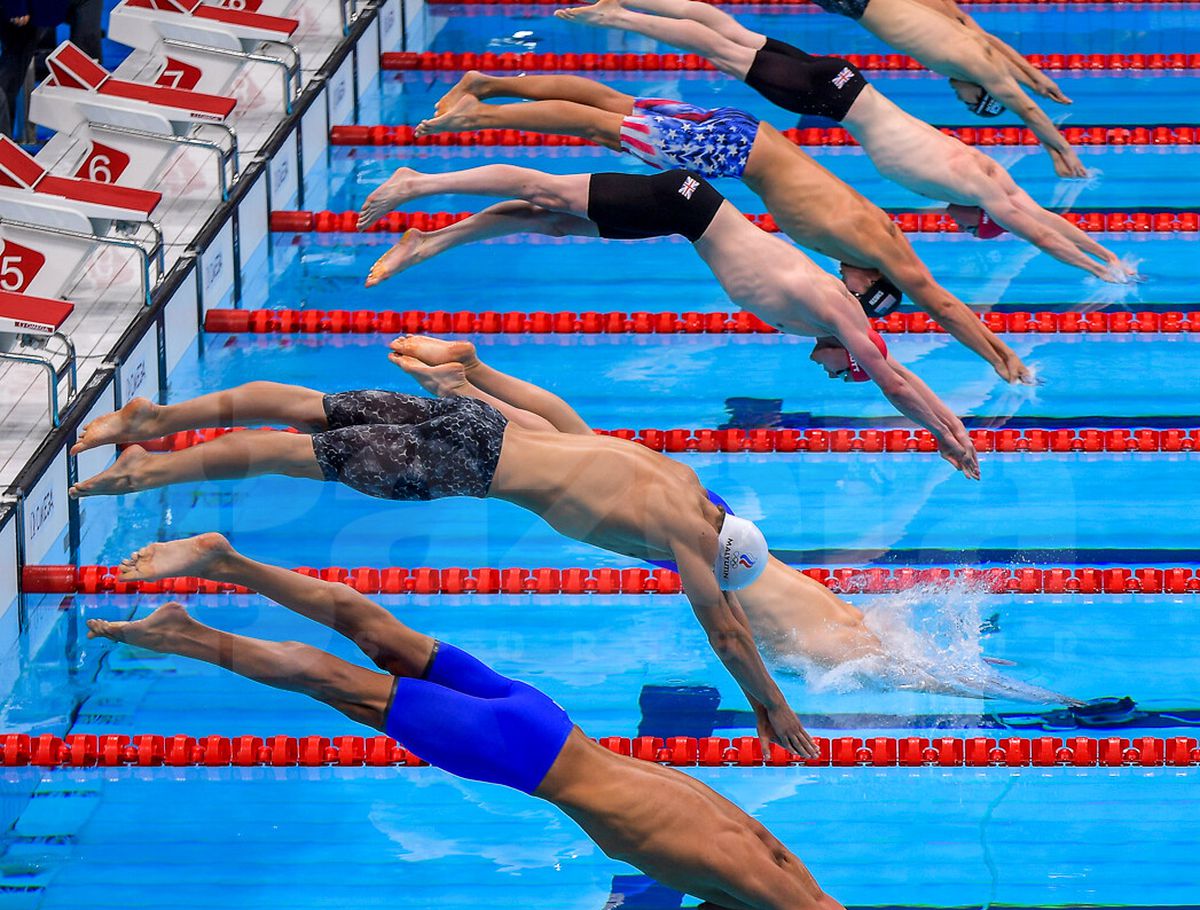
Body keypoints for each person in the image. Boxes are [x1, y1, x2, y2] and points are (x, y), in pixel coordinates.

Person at [87, 529, 1029, 910]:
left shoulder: (759, 847)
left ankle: (228, 561)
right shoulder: (758, 883)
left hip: (545, 720)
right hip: (522, 755)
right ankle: (187, 630)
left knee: (378, 631)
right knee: (337, 685)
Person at [67, 354, 822, 755]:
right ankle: (146, 468)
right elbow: (725, 630)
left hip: (476, 425)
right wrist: (773, 707)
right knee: (296, 458)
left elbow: (558, 419)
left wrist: (472, 379)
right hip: (468, 467)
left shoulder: (679, 478)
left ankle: (157, 418)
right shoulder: (691, 543)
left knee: (306, 407)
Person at [385, 336, 1076, 706]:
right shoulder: (845, 647)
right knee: (561, 460)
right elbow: (931, 676)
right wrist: (1045, 704)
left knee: (573, 443)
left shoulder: (852, 629)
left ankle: (473, 379)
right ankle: (467, 384)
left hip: (729, 535)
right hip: (719, 549)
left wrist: (1000, 678)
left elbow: (922, 646)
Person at [355, 165, 979, 472]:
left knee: (545, 215)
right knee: (543, 192)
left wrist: (955, 426)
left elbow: (902, 377)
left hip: (684, 218)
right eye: (850, 374)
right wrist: (943, 435)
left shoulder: (828, 324)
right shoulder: (841, 315)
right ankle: (417, 183)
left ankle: (430, 241)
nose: (841, 376)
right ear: (859, 346)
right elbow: (896, 381)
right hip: (686, 201)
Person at [422, 73, 1124, 286]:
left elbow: (1037, 218)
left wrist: (1098, 245)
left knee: (613, 108)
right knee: (603, 124)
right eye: (975, 224)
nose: (964, 225)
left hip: (758, 134)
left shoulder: (974, 175)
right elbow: (1036, 228)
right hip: (741, 146)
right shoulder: (978, 195)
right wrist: (1110, 271)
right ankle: (478, 108)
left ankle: (490, 88)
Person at [556, 0, 1087, 179]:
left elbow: (1014, 67)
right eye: (971, 104)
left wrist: (1046, 83)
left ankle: (627, 4)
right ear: (983, 95)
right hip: (844, 18)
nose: (960, 101)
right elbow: (1020, 101)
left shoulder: (970, 40)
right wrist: (1058, 148)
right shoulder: (975, 64)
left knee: (730, 32)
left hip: (837, 46)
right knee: (718, 46)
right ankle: (620, 13)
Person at [0, 1, 68, 138]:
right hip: (23, 12)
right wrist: (16, 6)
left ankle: (5, 140)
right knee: (11, 72)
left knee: (14, 68)